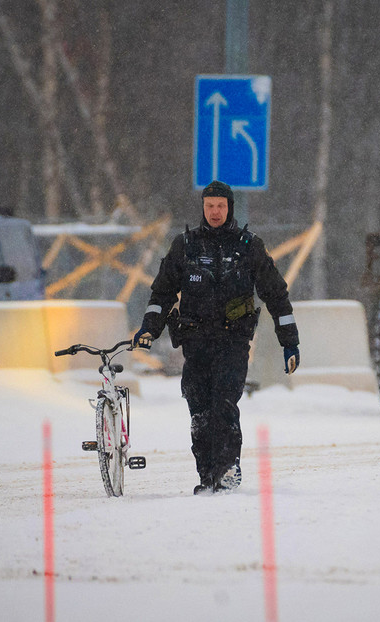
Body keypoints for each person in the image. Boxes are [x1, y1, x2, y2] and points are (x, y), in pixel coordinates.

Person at [133, 181, 300, 495]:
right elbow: (162, 293)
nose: (215, 212)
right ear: (203, 208)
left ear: (230, 207)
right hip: (195, 343)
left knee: (223, 404)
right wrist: (148, 329)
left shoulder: (249, 246)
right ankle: (207, 476)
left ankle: (226, 471)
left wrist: (289, 341)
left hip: (233, 341)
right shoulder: (185, 246)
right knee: (199, 411)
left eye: (221, 206)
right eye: (209, 206)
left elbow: (276, 296)